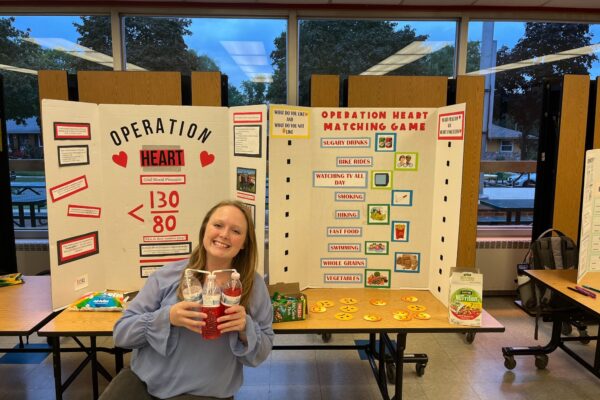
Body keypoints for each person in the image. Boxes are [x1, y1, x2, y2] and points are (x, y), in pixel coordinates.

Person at [100, 200, 274, 400]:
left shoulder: (252, 286)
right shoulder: (166, 276)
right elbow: (121, 334)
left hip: (206, 395)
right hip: (144, 387)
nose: (224, 234)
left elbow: (263, 349)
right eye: (218, 225)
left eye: (236, 231)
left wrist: (245, 328)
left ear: (244, 243)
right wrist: (167, 317)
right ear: (204, 230)